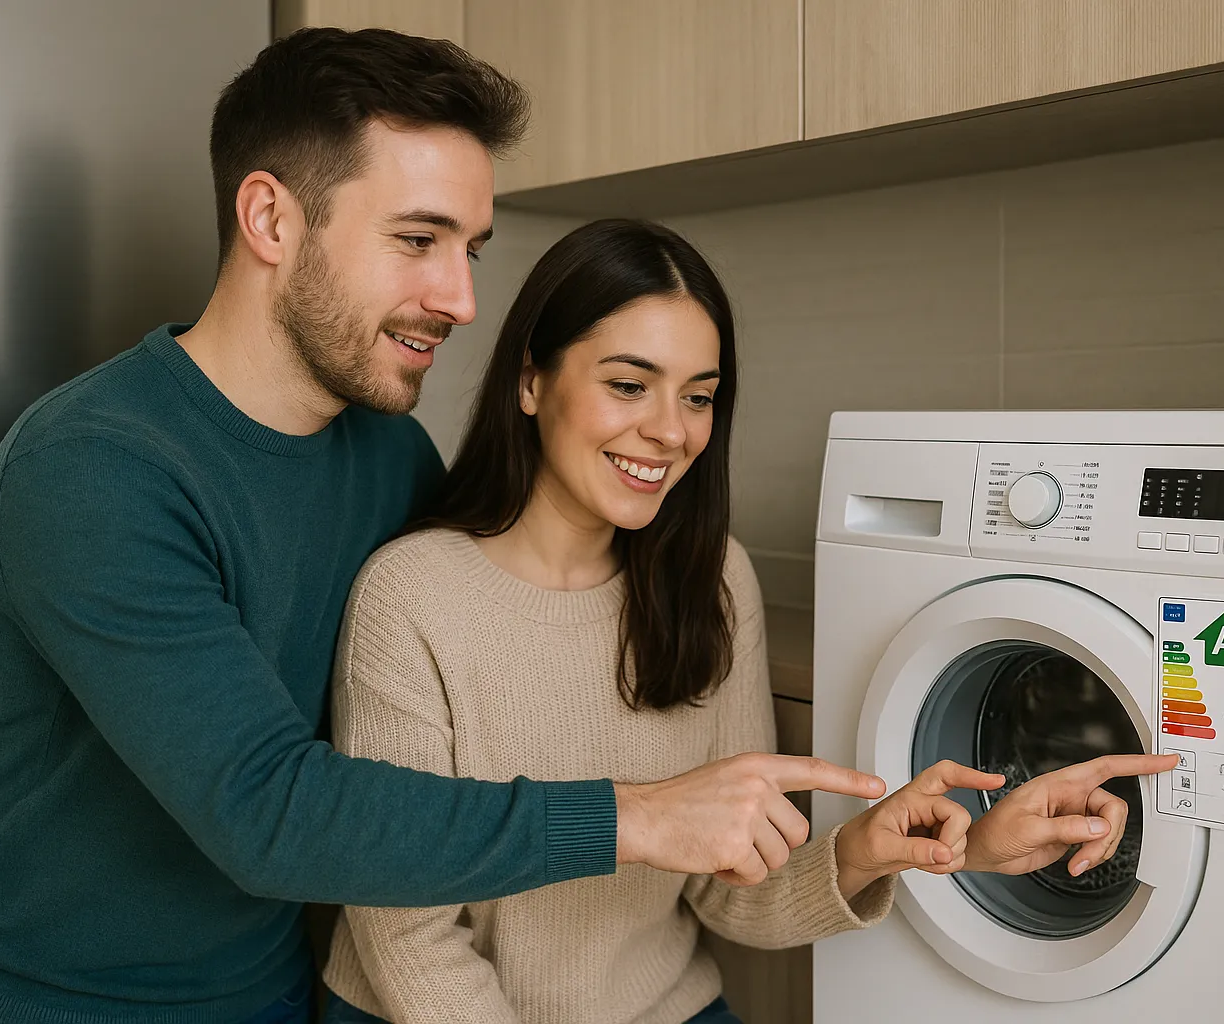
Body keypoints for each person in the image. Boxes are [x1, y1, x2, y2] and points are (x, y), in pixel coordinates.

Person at [0, 30, 893, 1024]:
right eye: (417, 240)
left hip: (268, 990)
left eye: (471, 250)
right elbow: (268, 811)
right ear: (270, 219)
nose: (462, 299)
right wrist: (636, 814)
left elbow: (413, 763)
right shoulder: (94, 468)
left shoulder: (392, 459)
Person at [320, 219, 1178, 1024]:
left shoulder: (710, 577)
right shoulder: (413, 598)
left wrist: (876, 850)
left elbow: (730, 892)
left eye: (699, 397)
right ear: (532, 379)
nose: (668, 432)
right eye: (628, 385)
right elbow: (409, 939)